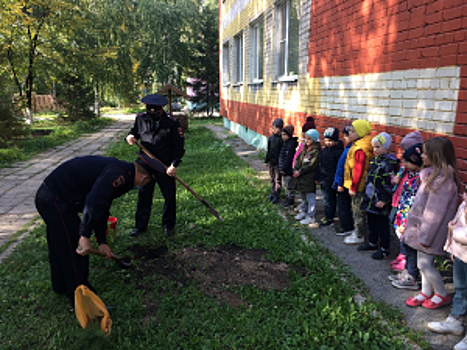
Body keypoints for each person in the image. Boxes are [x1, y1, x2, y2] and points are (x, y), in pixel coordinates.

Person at [34, 154, 158, 305]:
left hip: (51, 197)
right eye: (146, 182)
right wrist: (84, 235)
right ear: (145, 178)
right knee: (75, 249)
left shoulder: (124, 171)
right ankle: (83, 300)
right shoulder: (119, 175)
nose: (143, 185)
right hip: (55, 200)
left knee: (59, 242)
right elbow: (94, 200)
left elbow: (102, 206)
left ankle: (60, 286)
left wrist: (102, 241)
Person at [403, 137, 461, 308]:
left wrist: (425, 236)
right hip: (421, 230)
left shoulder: (443, 181)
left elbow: (435, 213)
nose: (422, 156)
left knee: (424, 264)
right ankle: (426, 292)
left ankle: (441, 293)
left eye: (425, 154)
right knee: (423, 263)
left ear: (436, 156)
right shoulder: (432, 176)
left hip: (430, 232)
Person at [126, 94, 185, 237]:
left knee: (169, 196)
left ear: (161, 110)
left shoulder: (172, 122)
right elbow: (133, 132)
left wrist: (174, 165)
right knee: (144, 194)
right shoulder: (140, 118)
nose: (153, 115)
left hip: (164, 165)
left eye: (156, 113)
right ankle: (140, 226)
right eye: (150, 112)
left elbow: (179, 146)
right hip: (145, 163)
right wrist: (130, 137)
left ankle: (168, 225)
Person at [426, 187, 467, 350]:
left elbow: (455, 229)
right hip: (460, 254)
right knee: (461, 289)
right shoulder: (463, 205)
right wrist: (451, 247)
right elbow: (454, 223)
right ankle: (456, 321)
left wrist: (453, 231)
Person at [357, 132, 399, 259]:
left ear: (386, 147)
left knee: (382, 224)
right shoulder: (375, 159)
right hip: (370, 198)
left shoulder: (391, 162)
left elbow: (389, 184)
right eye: (374, 147)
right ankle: (372, 242)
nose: (375, 150)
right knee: (371, 222)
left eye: (378, 147)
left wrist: (384, 200)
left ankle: (384, 248)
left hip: (380, 199)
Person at [390, 130, 425, 271]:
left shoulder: (419, 178)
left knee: (406, 234)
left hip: (408, 209)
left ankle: (406, 259)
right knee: (398, 230)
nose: (403, 162)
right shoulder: (407, 171)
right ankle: (401, 254)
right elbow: (396, 181)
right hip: (400, 203)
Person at [342, 120, 374, 245]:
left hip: (358, 186)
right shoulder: (358, 145)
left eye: (352, 131)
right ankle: (357, 231)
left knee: (357, 211)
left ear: (360, 132)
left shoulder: (360, 149)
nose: (349, 134)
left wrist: (353, 187)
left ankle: (359, 235)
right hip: (355, 184)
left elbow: (358, 170)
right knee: (356, 209)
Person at [315, 127, 343, 227]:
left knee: (330, 200)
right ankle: (328, 214)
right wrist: (317, 177)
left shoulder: (338, 152)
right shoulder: (324, 151)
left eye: (330, 141)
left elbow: (339, 168)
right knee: (326, 199)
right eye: (326, 140)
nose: (328, 143)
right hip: (324, 179)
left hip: (332, 180)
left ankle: (329, 217)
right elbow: (320, 164)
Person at [293, 129, 321, 225]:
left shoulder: (315, 151)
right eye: (306, 139)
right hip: (301, 177)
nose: (307, 141)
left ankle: (311, 215)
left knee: (310, 197)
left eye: (309, 139)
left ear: (314, 140)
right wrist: (296, 168)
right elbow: (298, 159)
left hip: (309, 177)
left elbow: (312, 164)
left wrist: (301, 171)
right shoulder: (304, 149)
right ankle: (304, 211)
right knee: (303, 195)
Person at [333, 124, 355, 236]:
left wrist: (340, 183)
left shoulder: (351, 149)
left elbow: (346, 168)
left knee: (344, 205)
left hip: (344, 183)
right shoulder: (347, 148)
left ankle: (347, 226)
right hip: (341, 181)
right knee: (342, 204)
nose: (344, 138)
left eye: (346, 136)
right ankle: (345, 225)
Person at [264, 118, 284, 204]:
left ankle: (277, 194)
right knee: (272, 178)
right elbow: (269, 150)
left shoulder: (281, 139)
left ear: (280, 129)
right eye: (273, 128)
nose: (273, 129)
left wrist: (281, 163)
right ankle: (272, 192)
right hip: (271, 162)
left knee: (277, 179)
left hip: (278, 163)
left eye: (275, 128)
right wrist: (266, 160)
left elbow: (282, 152)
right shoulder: (271, 138)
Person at [278, 125, 298, 207]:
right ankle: (287, 198)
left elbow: (288, 159)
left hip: (288, 170)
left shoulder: (290, 145)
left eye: (284, 135)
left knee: (289, 185)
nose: (282, 136)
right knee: (285, 185)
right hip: (284, 169)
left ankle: (290, 199)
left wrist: (284, 168)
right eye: (282, 134)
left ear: (289, 135)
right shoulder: (285, 144)